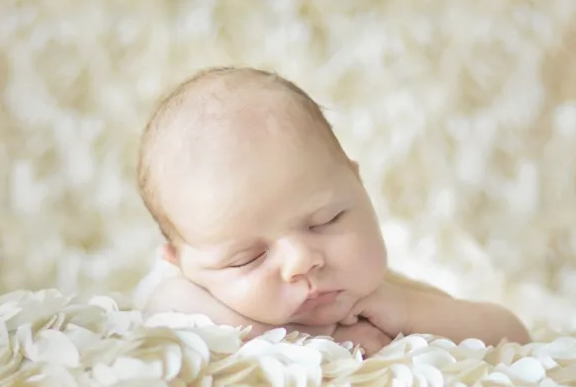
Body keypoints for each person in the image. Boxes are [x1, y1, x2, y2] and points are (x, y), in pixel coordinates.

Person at [134, 66, 530, 356]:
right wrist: (317, 342)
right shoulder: (181, 291)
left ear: (358, 186)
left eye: (326, 221)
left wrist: (411, 312)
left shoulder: (386, 297)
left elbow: (515, 338)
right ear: (179, 261)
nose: (302, 261)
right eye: (248, 258)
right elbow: (166, 307)